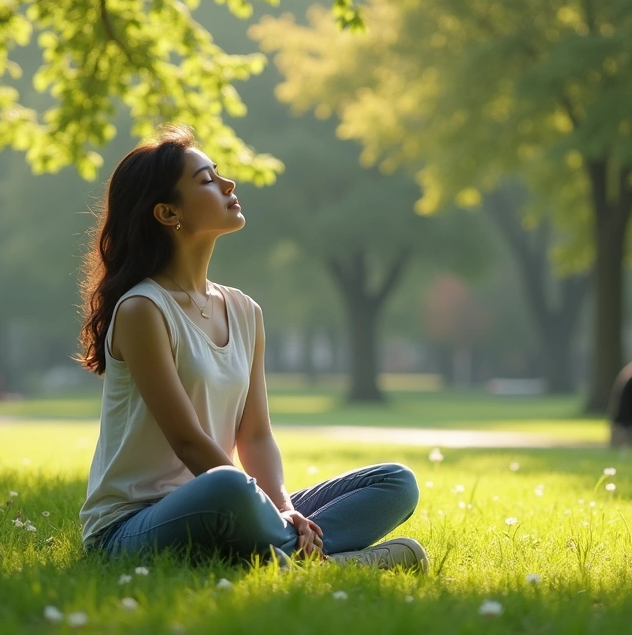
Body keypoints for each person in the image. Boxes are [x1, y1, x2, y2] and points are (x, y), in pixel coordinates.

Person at [76, 126, 426, 572]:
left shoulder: (243, 310)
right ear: (167, 213)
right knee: (228, 487)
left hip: (235, 502)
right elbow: (187, 440)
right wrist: (255, 501)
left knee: (395, 481)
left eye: (218, 174)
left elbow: (255, 435)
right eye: (206, 180)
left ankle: (281, 553)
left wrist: (281, 506)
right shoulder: (144, 309)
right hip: (132, 526)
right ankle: (326, 564)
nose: (228, 185)